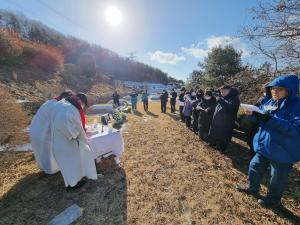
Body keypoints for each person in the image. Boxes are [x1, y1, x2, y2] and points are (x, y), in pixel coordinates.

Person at [237, 75, 300, 208]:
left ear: (290, 90)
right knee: (254, 166)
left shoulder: (297, 105)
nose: (274, 91)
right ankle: (252, 188)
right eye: (272, 88)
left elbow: (295, 129)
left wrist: (268, 119)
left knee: (277, 178)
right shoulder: (270, 102)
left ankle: (273, 201)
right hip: (264, 145)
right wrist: (254, 116)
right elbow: (261, 119)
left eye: (280, 89)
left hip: (283, 151)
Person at [51, 93, 97, 190]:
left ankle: (72, 183)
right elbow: (67, 127)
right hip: (64, 143)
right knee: (70, 163)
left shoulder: (62, 104)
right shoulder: (69, 108)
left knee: (69, 164)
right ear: (80, 101)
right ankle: (73, 185)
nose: (82, 108)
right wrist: (78, 134)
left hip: (58, 140)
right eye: (83, 105)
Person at [29, 90, 73, 174]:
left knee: (41, 152)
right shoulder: (57, 105)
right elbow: (61, 122)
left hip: (35, 129)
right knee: (48, 151)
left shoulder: (50, 102)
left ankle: (44, 168)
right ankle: (51, 170)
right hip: (43, 132)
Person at [208, 85, 240, 152]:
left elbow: (230, 108)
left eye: (224, 91)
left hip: (227, 122)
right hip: (218, 121)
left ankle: (223, 148)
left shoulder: (235, 99)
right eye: (221, 92)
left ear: (230, 90)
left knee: (224, 136)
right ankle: (215, 144)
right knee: (216, 133)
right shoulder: (223, 97)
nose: (222, 93)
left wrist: (220, 100)